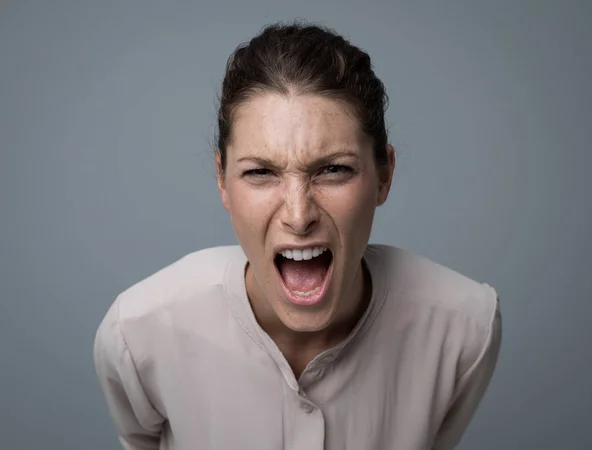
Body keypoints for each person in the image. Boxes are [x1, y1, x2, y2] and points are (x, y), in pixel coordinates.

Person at [94, 21, 502, 450]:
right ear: (222, 180)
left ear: (384, 175)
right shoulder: (138, 334)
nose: (298, 214)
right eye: (260, 172)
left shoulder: (465, 329)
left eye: (333, 169)